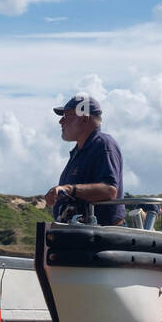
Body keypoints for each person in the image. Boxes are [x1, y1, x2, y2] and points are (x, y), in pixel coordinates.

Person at [43, 94, 124, 226]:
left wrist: (69, 189)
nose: (61, 122)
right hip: (78, 234)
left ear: (84, 119)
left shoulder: (104, 144)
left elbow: (110, 190)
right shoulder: (78, 151)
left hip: (98, 238)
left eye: (66, 116)